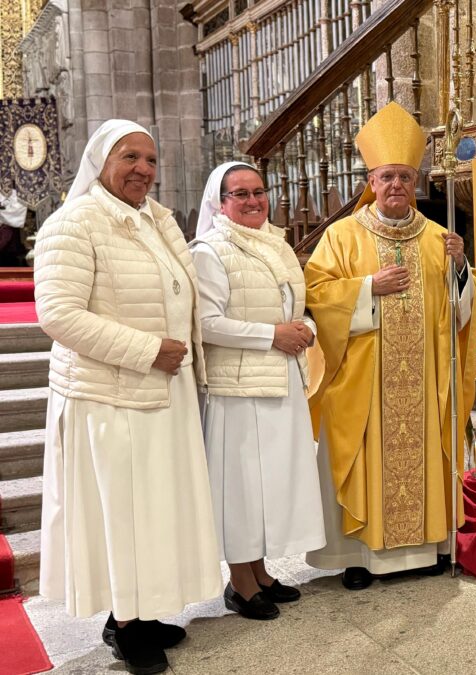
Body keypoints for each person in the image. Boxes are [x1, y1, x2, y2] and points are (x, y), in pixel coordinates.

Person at [34, 120, 221, 675]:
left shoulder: (153, 222)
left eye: (151, 159)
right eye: (130, 157)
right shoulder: (75, 222)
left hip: (160, 391)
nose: (143, 169)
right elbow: (58, 315)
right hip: (109, 398)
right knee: (121, 513)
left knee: (154, 508)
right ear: (101, 161)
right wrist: (146, 350)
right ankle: (124, 623)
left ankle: (143, 609)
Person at [304, 102, 476, 590]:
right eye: (387, 177)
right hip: (364, 382)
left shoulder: (438, 237)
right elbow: (316, 293)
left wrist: (462, 268)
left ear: (415, 181)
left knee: (422, 454)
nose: (397, 186)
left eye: (405, 177)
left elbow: (463, 309)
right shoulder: (342, 235)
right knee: (364, 459)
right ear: (372, 180)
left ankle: (426, 550)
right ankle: (358, 556)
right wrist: (366, 289)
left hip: (423, 382)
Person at [191, 162, 326, 620]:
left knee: (271, 484)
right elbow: (206, 324)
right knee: (242, 486)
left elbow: (296, 307)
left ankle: (261, 570)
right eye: (240, 194)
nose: (252, 201)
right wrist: (272, 334)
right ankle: (240, 582)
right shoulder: (210, 250)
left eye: (258, 191)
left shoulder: (275, 242)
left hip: (281, 376)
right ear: (220, 203)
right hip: (237, 387)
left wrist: (304, 327)